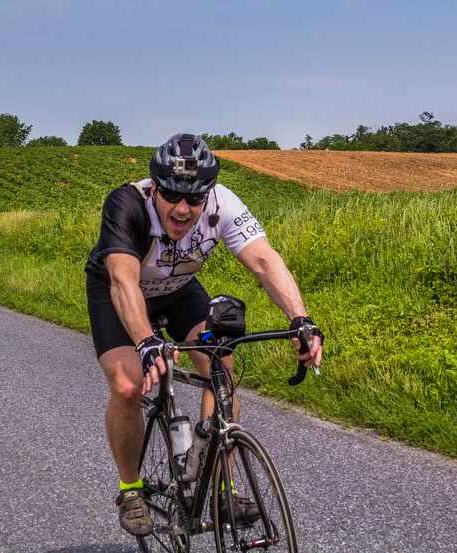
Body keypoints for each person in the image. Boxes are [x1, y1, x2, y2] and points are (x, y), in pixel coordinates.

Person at [85, 133, 324, 536]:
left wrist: (300, 319)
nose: (182, 208)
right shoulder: (127, 204)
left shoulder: (224, 205)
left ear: (208, 194)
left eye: (194, 199)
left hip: (178, 290)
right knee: (127, 385)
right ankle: (130, 489)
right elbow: (124, 281)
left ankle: (222, 488)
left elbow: (265, 261)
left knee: (222, 367)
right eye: (172, 196)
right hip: (120, 292)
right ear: (155, 187)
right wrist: (145, 342)